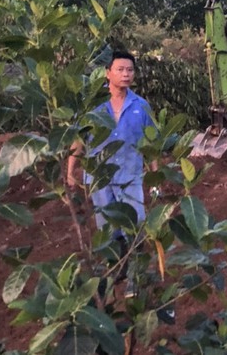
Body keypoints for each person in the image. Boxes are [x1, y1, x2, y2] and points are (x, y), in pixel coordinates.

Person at [67, 50, 156, 296]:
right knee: (108, 229)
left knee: (136, 225)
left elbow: (151, 144)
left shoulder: (141, 106)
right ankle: (117, 269)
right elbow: (79, 142)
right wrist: (70, 172)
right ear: (108, 73)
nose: (126, 74)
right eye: (121, 69)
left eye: (130, 70)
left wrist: (155, 178)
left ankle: (135, 278)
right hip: (100, 180)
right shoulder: (93, 108)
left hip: (131, 177)